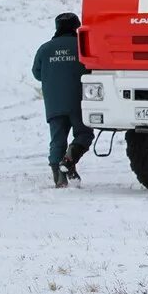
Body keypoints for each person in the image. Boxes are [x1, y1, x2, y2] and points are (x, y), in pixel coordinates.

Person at [32, 13, 94, 188]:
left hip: (54, 103)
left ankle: (59, 178)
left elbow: (37, 73)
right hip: (78, 101)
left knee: (57, 139)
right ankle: (68, 161)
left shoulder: (45, 49)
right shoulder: (82, 46)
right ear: (76, 26)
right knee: (84, 134)